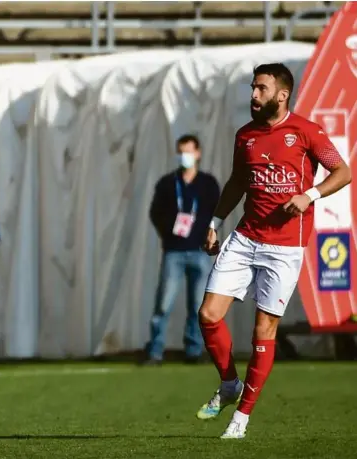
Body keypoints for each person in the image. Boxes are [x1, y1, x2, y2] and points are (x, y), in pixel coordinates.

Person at [196, 63, 351, 439]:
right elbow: (237, 182)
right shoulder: (245, 135)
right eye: (253, 87)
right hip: (246, 237)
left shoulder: (306, 131)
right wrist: (215, 222)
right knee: (208, 315)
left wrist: (309, 195)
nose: (253, 95)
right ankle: (229, 383)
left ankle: (241, 419)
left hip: (284, 247)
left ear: (282, 95)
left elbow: (343, 172)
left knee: (263, 330)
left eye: (261, 89)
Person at [145, 134, 220, 365]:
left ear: (198, 153)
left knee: (198, 305)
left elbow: (217, 213)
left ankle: (194, 351)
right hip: (174, 251)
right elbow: (155, 213)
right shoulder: (167, 183)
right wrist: (169, 230)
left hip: (199, 251)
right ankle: (155, 351)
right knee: (163, 304)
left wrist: (211, 235)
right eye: (181, 152)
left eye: (188, 151)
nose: (184, 156)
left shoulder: (208, 183)